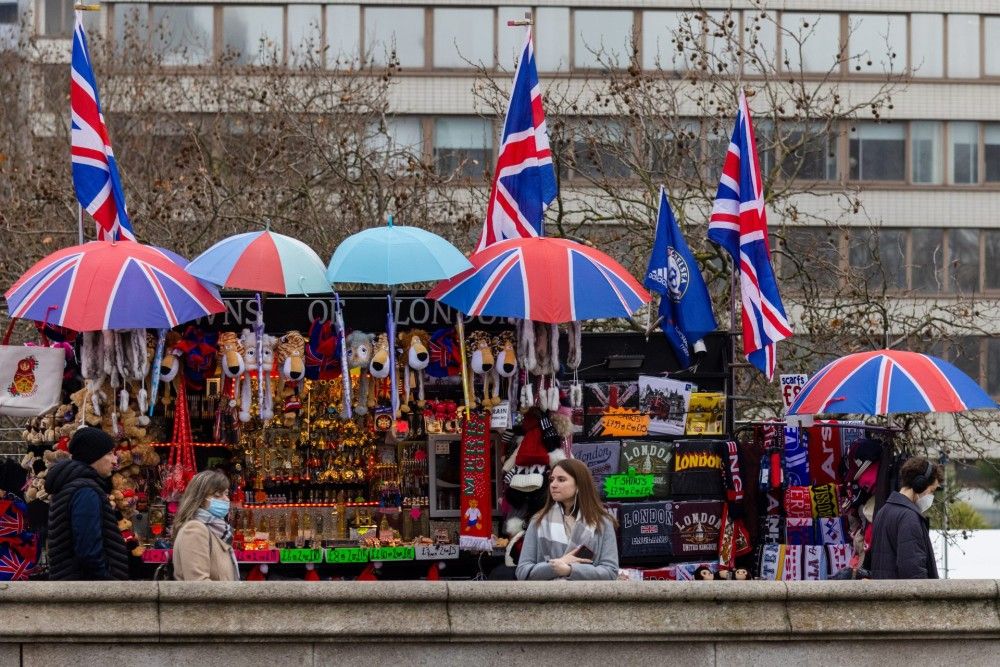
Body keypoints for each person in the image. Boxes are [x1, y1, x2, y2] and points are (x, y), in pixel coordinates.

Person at [45, 427, 129, 580]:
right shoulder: (85, 491)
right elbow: (88, 549)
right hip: (86, 591)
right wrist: (108, 581)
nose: (115, 460)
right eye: (109, 453)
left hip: (73, 585)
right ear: (93, 456)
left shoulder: (74, 486)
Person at [515, 458, 619, 580]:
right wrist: (558, 564)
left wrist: (570, 570)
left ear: (579, 484)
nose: (553, 485)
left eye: (561, 479)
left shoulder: (602, 522)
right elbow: (523, 571)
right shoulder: (538, 521)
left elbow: (610, 572)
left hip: (586, 597)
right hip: (548, 597)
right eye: (552, 480)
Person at [870, 456, 943, 579]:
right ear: (920, 485)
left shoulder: (883, 511)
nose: (931, 496)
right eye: (931, 491)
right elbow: (914, 573)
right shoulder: (909, 517)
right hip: (903, 597)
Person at [171, 470, 240, 581]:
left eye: (226, 494)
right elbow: (199, 586)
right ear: (200, 499)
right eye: (218, 495)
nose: (226, 499)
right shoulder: (195, 530)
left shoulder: (217, 529)